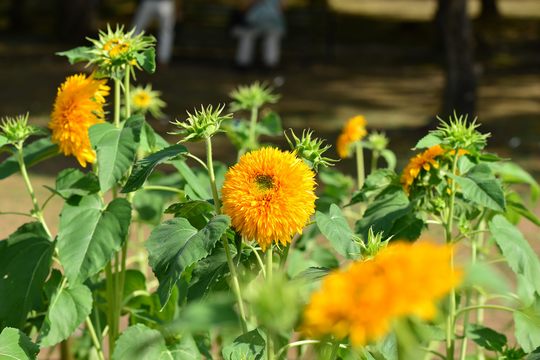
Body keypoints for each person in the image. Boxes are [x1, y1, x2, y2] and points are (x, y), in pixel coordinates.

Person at [232, 0, 286, 69]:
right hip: (253, 25)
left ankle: (270, 64)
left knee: (271, 38)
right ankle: (243, 63)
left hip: (272, 25)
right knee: (247, 37)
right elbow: (242, 7)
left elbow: (282, 7)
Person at [132, 0, 177, 66]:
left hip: (164, 3)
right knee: (137, 28)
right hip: (153, 3)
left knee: (166, 31)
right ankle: (130, 54)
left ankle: (163, 60)